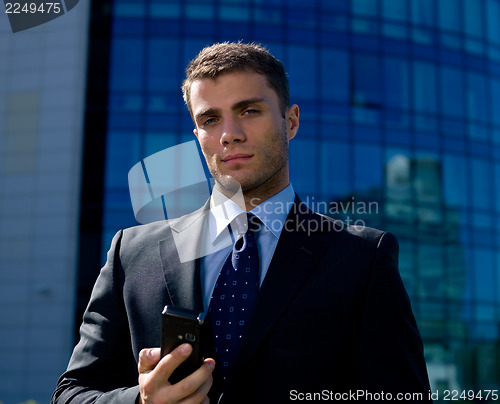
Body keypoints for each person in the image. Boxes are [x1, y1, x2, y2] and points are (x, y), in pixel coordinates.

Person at [52, 42, 432, 404]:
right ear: (197, 135)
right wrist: (142, 400)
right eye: (210, 119)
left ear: (292, 120)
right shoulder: (131, 254)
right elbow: (73, 392)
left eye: (249, 110)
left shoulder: (363, 259)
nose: (229, 134)